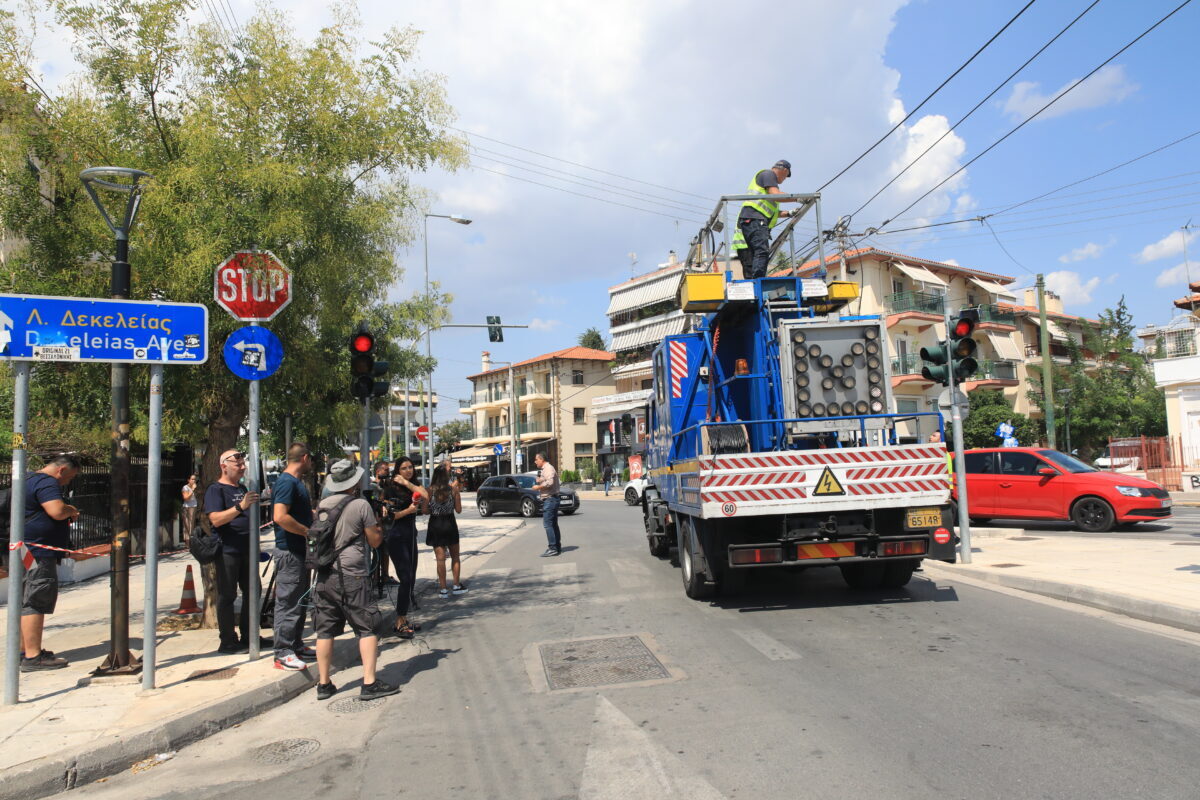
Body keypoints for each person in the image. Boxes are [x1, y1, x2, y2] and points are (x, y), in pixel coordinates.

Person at [312, 459, 399, 701]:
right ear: (354, 482)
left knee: (325, 631)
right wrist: (378, 524)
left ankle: (324, 684)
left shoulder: (323, 505)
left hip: (324, 575)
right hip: (352, 575)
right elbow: (375, 541)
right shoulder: (361, 505)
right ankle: (370, 682)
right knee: (367, 627)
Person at [19, 454, 81, 671]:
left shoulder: (27, 479)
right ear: (61, 470)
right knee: (36, 599)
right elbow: (56, 511)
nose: (67, 483)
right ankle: (33, 657)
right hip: (38, 550)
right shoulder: (47, 482)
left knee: (26, 600)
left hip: (24, 550)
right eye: (69, 478)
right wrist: (71, 510)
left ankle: (25, 650)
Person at [204, 449, 268, 655]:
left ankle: (250, 635)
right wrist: (241, 506)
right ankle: (228, 640)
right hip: (228, 551)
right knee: (227, 595)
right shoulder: (216, 490)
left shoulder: (241, 487)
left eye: (243, 464)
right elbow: (215, 519)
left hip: (247, 549)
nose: (242, 468)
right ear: (224, 466)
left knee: (253, 590)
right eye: (237, 465)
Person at [270, 443, 317, 671]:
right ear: (305, 458)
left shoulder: (295, 483)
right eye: (311, 460)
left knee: (299, 601)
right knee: (288, 602)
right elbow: (280, 516)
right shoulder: (287, 482)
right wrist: (306, 531)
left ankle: (296, 645)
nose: (311, 464)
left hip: (299, 551)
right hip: (289, 552)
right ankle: (283, 652)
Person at [733, 159, 802, 279]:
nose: (784, 180)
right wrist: (797, 198)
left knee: (756, 259)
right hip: (754, 220)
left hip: (751, 222)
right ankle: (759, 281)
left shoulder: (766, 189)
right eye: (786, 176)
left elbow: (772, 212)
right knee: (762, 251)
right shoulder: (768, 174)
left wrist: (789, 213)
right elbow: (775, 194)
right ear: (784, 170)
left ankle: (755, 284)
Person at [382, 457, 426, 637]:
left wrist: (408, 483)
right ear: (397, 471)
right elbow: (388, 517)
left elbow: (425, 496)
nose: (409, 470)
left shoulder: (412, 484)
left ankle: (404, 618)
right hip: (395, 535)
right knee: (405, 577)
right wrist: (408, 511)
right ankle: (399, 620)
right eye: (404, 468)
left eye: (410, 467)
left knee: (412, 577)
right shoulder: (390, 488)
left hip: (410, 534)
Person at [425, 463, 465, 598]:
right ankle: (456, 585)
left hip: (435, 524)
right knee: (455, 557)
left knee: (440, 560)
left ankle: (443, 589)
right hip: (449, 523)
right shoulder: (453, 490)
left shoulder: (429, 490)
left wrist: (435, 509)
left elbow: (424, 511)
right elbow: (459, 510)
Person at [533, 452, 562, 557]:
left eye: (536, 459)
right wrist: (540, 480)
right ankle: (556, 547)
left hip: (550, 500)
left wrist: (538, 487)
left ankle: (553, 548)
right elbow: (547, 480)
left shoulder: (548, 468)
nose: (535, 461)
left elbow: (550, 482)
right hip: (551, 499)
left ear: (541, 459)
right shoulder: (545, 469)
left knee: (548, 524)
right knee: (553, 524)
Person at [181, 474, 198, 544]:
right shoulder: (185, 487)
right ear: (189, 480)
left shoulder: (196, 486)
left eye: (195, 479)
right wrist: (193, 489)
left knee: (192, 524)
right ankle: (187, 542)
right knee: (187, 524)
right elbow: (186, 498)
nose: (194, 481)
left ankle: (192, 541)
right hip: (187, 507)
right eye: (192, 479)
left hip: (194, 506)